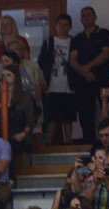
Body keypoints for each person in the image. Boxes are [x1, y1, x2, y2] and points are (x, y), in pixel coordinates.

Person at [69, 7, 109, 144]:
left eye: (89, 14)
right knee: (85, 113)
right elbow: (72, 60)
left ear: (95, 16)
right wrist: (85, 72)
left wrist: (87, 67)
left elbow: (105, 54)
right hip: (83, 82)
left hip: (103, 79)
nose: (86, 17)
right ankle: (89, 143)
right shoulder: (77, 38)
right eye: (83, 15)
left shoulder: (104, 33)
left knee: (108, 110)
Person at [37, 14, 75, 144]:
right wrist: (42, 83)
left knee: (68, 118)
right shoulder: (48, 42)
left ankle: (68, 143)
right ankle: (48, 144)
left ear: (70, 27)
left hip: (69, 86)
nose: (63, 27)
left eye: (66, 24)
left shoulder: (74, 42)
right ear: (56, 26)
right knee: (51, 118)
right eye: (60, 24)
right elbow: (41, 64)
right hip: (51, 86)